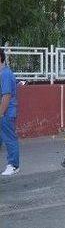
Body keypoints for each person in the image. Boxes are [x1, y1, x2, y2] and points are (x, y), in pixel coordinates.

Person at [0, 48, 20, 176]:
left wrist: (1, 113)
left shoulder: (5, 73)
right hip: (4, 111)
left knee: (9, 138)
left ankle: (13, 165)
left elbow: (6, 95)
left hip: (5, 112)